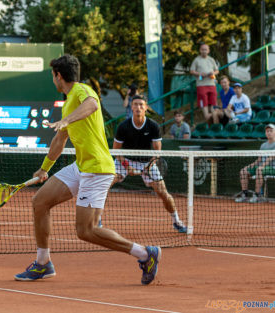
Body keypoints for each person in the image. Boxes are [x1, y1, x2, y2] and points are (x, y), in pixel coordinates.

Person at [14, 54, 161, 285]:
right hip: (81, 166)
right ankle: (43, 263)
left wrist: (67, 120)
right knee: (40, 202)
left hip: (98, 169)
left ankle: (145, 254)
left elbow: (93, 105)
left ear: (58, 76)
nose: (53, 80)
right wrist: (44, 169)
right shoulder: (68, 103)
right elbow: (60, 141)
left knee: (86, 231)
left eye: (53, 76)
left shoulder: (82, 91)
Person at [113, 95, 188, 233]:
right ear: (131, 107)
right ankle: (97, 218)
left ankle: (176, 221)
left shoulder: (153, 126)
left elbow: (157, 152)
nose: (138, 107)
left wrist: (148, 166)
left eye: (141, 105)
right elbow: (115, 150)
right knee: (105, 183)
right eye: (135, 104)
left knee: (163, 193)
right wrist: (126, 165)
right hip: (125, 160)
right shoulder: (123, 126)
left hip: (148, 162)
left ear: (146, 108)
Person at [235, 123, 275, 203]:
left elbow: (270, 158)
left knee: (259, 170)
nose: (269, 132)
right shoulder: (263, 145)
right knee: (243, 171)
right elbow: (259, 160)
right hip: (262, 167)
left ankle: (257, 196)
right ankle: (244, 195)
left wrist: (261, 167)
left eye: (271, 131)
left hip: (273, 168)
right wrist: (249, 166)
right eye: (267, 131)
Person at [190, 43, 219, 124]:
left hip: (211, 83)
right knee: (204, 100)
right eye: (202, 49)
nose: (204, 51)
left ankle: (214, 117)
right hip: (201, 84)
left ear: (208, 51)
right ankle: (207, 117)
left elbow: (217, 71)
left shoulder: (211, 59)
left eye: (206, 49)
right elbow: (191, 71)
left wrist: (212, 73)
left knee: (213, 100)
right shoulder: (196, 60)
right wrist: (199, 74)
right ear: (200, 50)